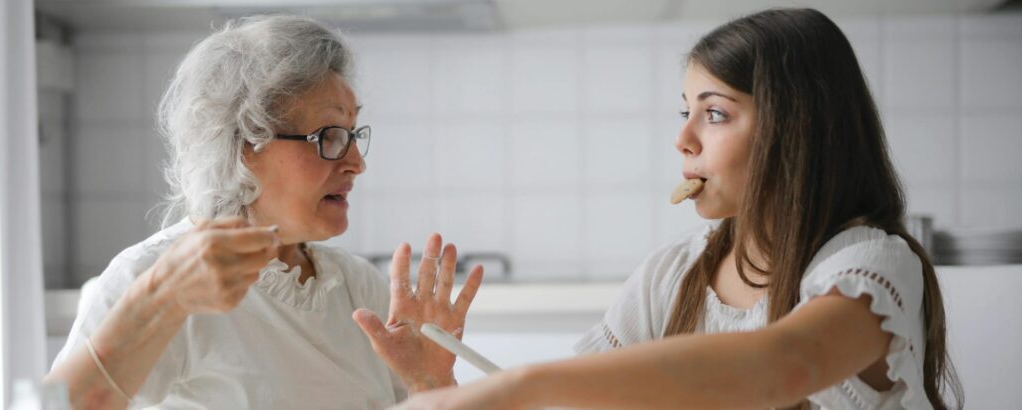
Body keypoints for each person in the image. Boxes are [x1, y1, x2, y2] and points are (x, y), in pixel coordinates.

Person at [393, 8, 963, 410]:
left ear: (797, 130)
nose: (682, 139)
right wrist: (434, 382)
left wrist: (523, 384)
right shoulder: (672, 274)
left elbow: (784, 367)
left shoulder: (873, 265)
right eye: (685, 111)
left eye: (714, 113)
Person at [44, 15, 482, 409]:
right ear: (242, 144)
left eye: (353, 134)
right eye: (330, 136)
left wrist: (431, 383)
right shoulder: (154, 276)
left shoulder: (359, 288)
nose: (357, 162)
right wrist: (157, 298)